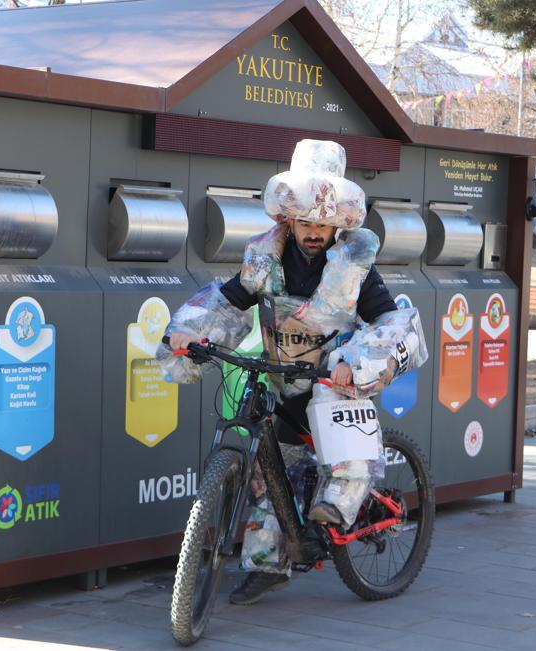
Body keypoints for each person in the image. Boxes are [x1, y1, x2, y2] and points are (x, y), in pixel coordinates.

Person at [159, 139, 427, 607]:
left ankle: (346, 491)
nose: (312, 232)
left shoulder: (355, 267)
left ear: (338, 223)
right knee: (268, 467)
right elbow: (228, 300)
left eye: (323, 224)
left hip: (333, 384)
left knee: (330, 410)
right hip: (282, 379)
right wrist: (188, 334)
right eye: (305, 221)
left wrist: (356, 362)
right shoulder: (264, 261)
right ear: (288, 218)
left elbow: (390, 322)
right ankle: (267, 564)